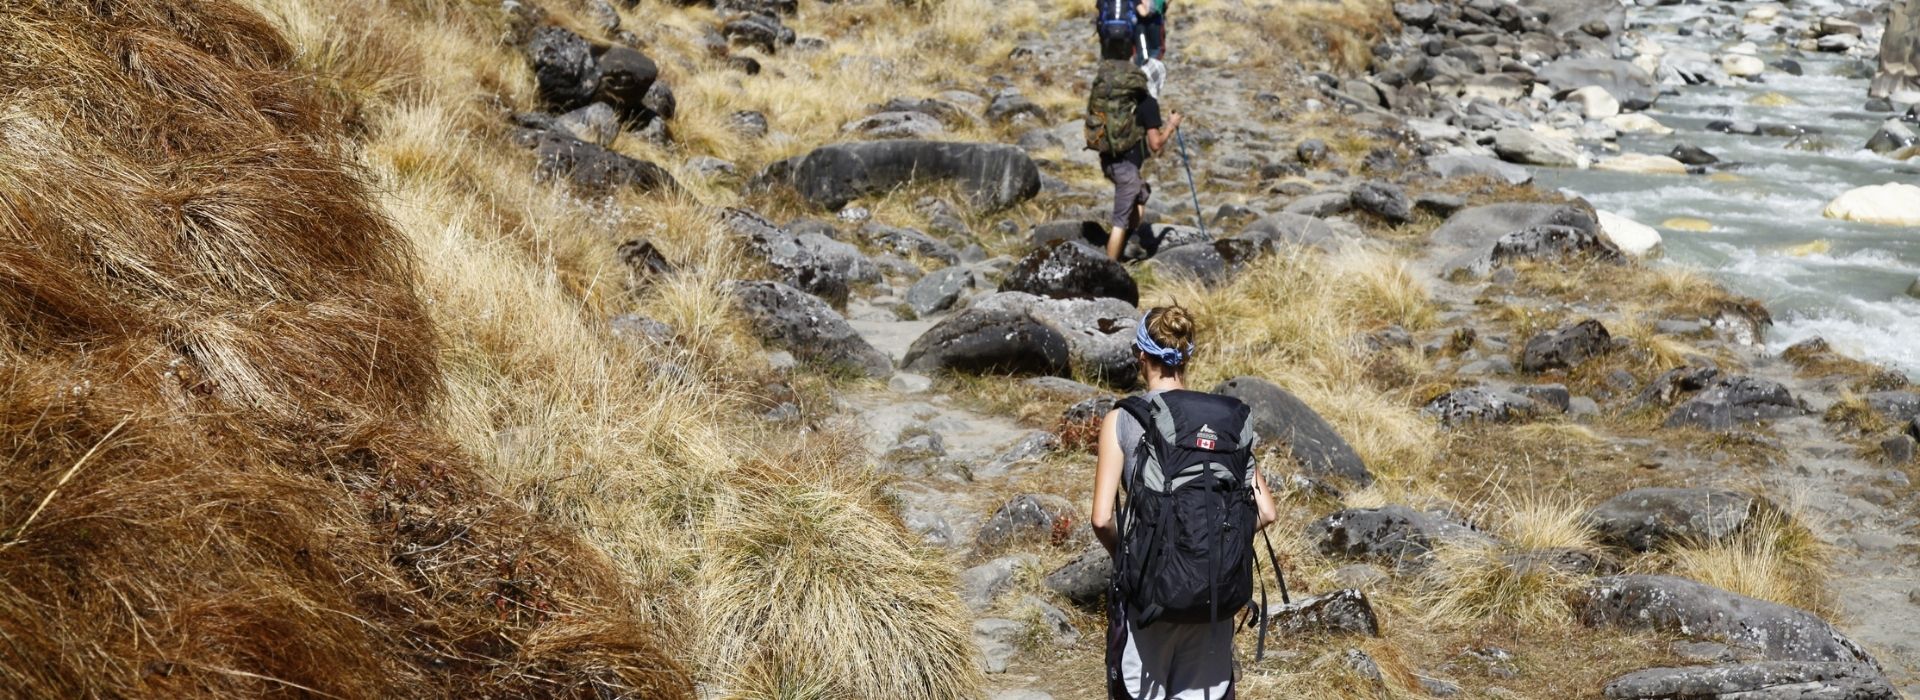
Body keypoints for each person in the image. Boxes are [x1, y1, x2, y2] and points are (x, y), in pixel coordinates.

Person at [1091, 305, 1278, 700]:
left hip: (1150, 602)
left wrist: (1133, 561)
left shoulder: (1123, 419)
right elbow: (1266, 512)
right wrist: (1210, 548)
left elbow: (1102, 518)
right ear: (1187, 355)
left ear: (1141, 355)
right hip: (1214, 600)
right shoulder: (1227, 421)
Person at [1086, 31, 1183, 262]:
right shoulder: (1148, 102)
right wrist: (1171, 125)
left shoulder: (1128, 98)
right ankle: (1111, 268)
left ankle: (1132, 240)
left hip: (1111, 160)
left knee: (1141, 194)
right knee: (1119, 221)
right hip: (1125, 168)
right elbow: (1156, 144)